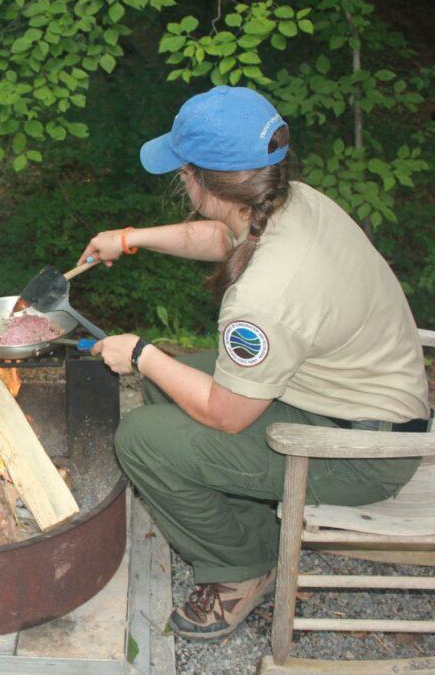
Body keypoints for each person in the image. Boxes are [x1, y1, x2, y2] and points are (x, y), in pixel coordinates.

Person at [79, 86, 431, 641]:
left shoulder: (265, 299)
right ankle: (241, 520)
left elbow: (229, 416)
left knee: (142, 436)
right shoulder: (293, 201)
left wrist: (142, 354)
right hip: (349, 396)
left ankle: (239, 567)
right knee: (168, 391)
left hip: (367, 449)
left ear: (197, 180)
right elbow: (226, 236)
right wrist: (128, 239)